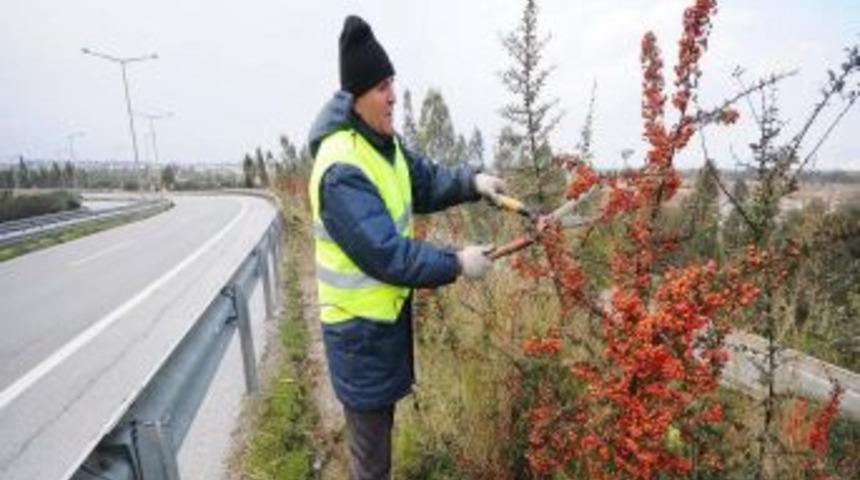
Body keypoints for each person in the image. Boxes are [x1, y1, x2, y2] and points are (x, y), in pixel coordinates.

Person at [306, 14, 506, 480]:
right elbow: (387, 255)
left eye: (392, 82)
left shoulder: (383, 145)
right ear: (355, 99)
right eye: (380, 87)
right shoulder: (342, 169)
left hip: (380, 332)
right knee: (371, 464)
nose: (393, 95)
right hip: (358, 338)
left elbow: (428, 181)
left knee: (378, 451)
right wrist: (456, 262)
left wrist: (474, 182)